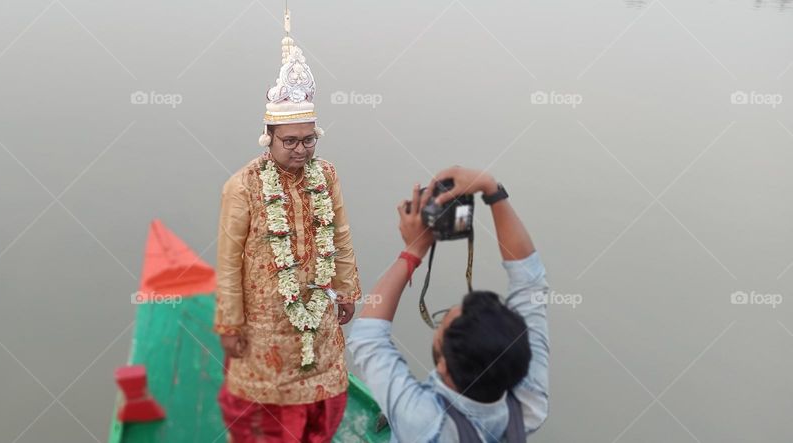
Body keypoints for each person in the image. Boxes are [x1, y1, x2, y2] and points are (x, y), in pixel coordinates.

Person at [213, 8, 362, 443]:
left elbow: (340, 235)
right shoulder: (242, 186)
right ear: (269, 138)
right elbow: (228, 263)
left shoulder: (326, 174)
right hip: (265, 325)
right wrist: (230, 325)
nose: (301, 150)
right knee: (266, 419)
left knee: (323, 402)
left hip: (317, 313)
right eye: (290, 141)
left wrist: (347, 289)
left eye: (309, 139)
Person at [346, 166, 550, 442]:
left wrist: (414, 250)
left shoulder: (423, 420)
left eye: (443, 323)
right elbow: (530, 284)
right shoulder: (529, 403)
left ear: (443, 365)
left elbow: (367, 337)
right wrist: (491, 190)